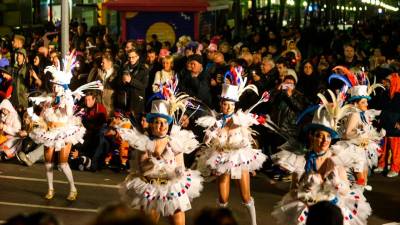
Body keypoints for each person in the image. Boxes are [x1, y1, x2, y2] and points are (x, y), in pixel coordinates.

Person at [271, 91, 371, 225]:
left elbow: (346, 190)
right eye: (320, 136)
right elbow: (293, 191)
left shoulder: (336, 159)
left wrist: (337, 184)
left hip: (332, 209)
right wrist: (305, 188)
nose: (325, 140)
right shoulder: (302, 160)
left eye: (328, 137)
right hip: (308, 209)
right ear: (311, 136)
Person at [118, 84, 203, 225]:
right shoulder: (144, 143)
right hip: (151, 188)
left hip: (171, 187)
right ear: (151, 125)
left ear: (169, 124)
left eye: (164, 122)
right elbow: (143, 169)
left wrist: (179, 172)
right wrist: (158, 157)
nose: (161, 126)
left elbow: (180, 166)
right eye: (157, 122)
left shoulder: (175, 141)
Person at [196, 65, 267, 225]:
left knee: (245, 196)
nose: (227, 107)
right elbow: (207, 141)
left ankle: (253, 223)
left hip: (239, 157)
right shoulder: (215, 120)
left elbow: (248, 138)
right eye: (225, 104)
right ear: (221, 104)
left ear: (234, 106)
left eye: (230, 105)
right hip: (222, 156)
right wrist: (212, 132)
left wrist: (252, 166)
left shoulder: (240, 118)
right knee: (223, 198)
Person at [28, 52, 103, 201]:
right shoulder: (49, 98)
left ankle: (73, 188)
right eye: (54, 85)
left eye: (58, 86)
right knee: (48, 162)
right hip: (49, 131)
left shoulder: (67, 98)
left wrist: (66, 99)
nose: (55, 88)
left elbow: (69, 114)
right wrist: (37, 120)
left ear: (63, 87)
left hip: (64, 131)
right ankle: (50, 188)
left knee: (62, 163)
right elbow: (43, 115)